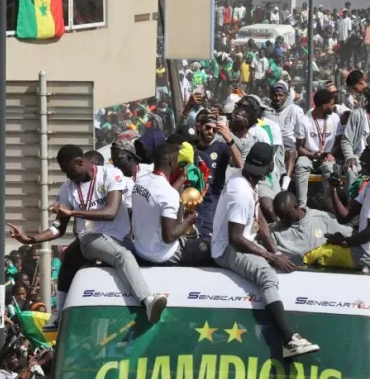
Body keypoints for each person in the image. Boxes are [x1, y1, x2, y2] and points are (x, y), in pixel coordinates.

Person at [7, 144, 167, 327]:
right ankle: (148, 301)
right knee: (121, 256)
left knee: (136, 254)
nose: (68, 177)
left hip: (120, 238)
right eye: (65, 173)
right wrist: (31, 239)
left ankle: (60, 313)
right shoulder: (67, 189)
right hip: (91, 239)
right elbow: (58, 228)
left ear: (80, 162)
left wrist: (73, 212)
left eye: (70, 171)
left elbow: (111, 212)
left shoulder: (110, 174)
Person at [210, 143, 319, 358]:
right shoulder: (241, 192)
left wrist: (275, 252)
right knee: (267, 275)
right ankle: (288, 340)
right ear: (269, 167)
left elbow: (259, 217)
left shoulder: (248, 180)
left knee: (289, 259)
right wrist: (270, 258)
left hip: (244, 239)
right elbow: (235, 238)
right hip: (226, 250)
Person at [316, 141, 370, 271]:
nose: (362, 154)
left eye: (367, 150)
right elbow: (345, 217)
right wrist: (333, 190)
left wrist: (346, 241)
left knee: (316, 254)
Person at [131, 143, 212, 266]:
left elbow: (160, 197)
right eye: (177, 161)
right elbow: (169, 237)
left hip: (140, 250)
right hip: (163, 256)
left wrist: (181, 178)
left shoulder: (140, 181)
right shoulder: (168, 193)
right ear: (171, 162)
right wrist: (189, 220)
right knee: (211, 249)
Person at [269, 191, 351, 262]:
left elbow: (350, 233)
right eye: (280, 215)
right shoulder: (275, 231)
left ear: (296, 206)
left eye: (287, 214)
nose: (283, 218)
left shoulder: (323, 219)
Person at [194, 111, 238, 239]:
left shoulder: (221, 148)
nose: (211, 132)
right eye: (208, 127)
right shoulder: (192, 146)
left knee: (207, 238)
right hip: (191, 198)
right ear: (199, 126)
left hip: (212, 201)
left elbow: (238, 164)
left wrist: (229, 140)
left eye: (214, 130)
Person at [294, 88, 340, 208]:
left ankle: (328, 206)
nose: (334, 107)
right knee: (301, 165)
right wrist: (312, 155)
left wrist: (331, 153)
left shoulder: (335, 118)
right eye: (331, 104)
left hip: (328, 156)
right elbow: (299, 147)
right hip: (309, 156)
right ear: (324, 106)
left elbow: (339, 142)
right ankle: (302, 206)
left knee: (329, 168)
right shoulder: (304, 120)